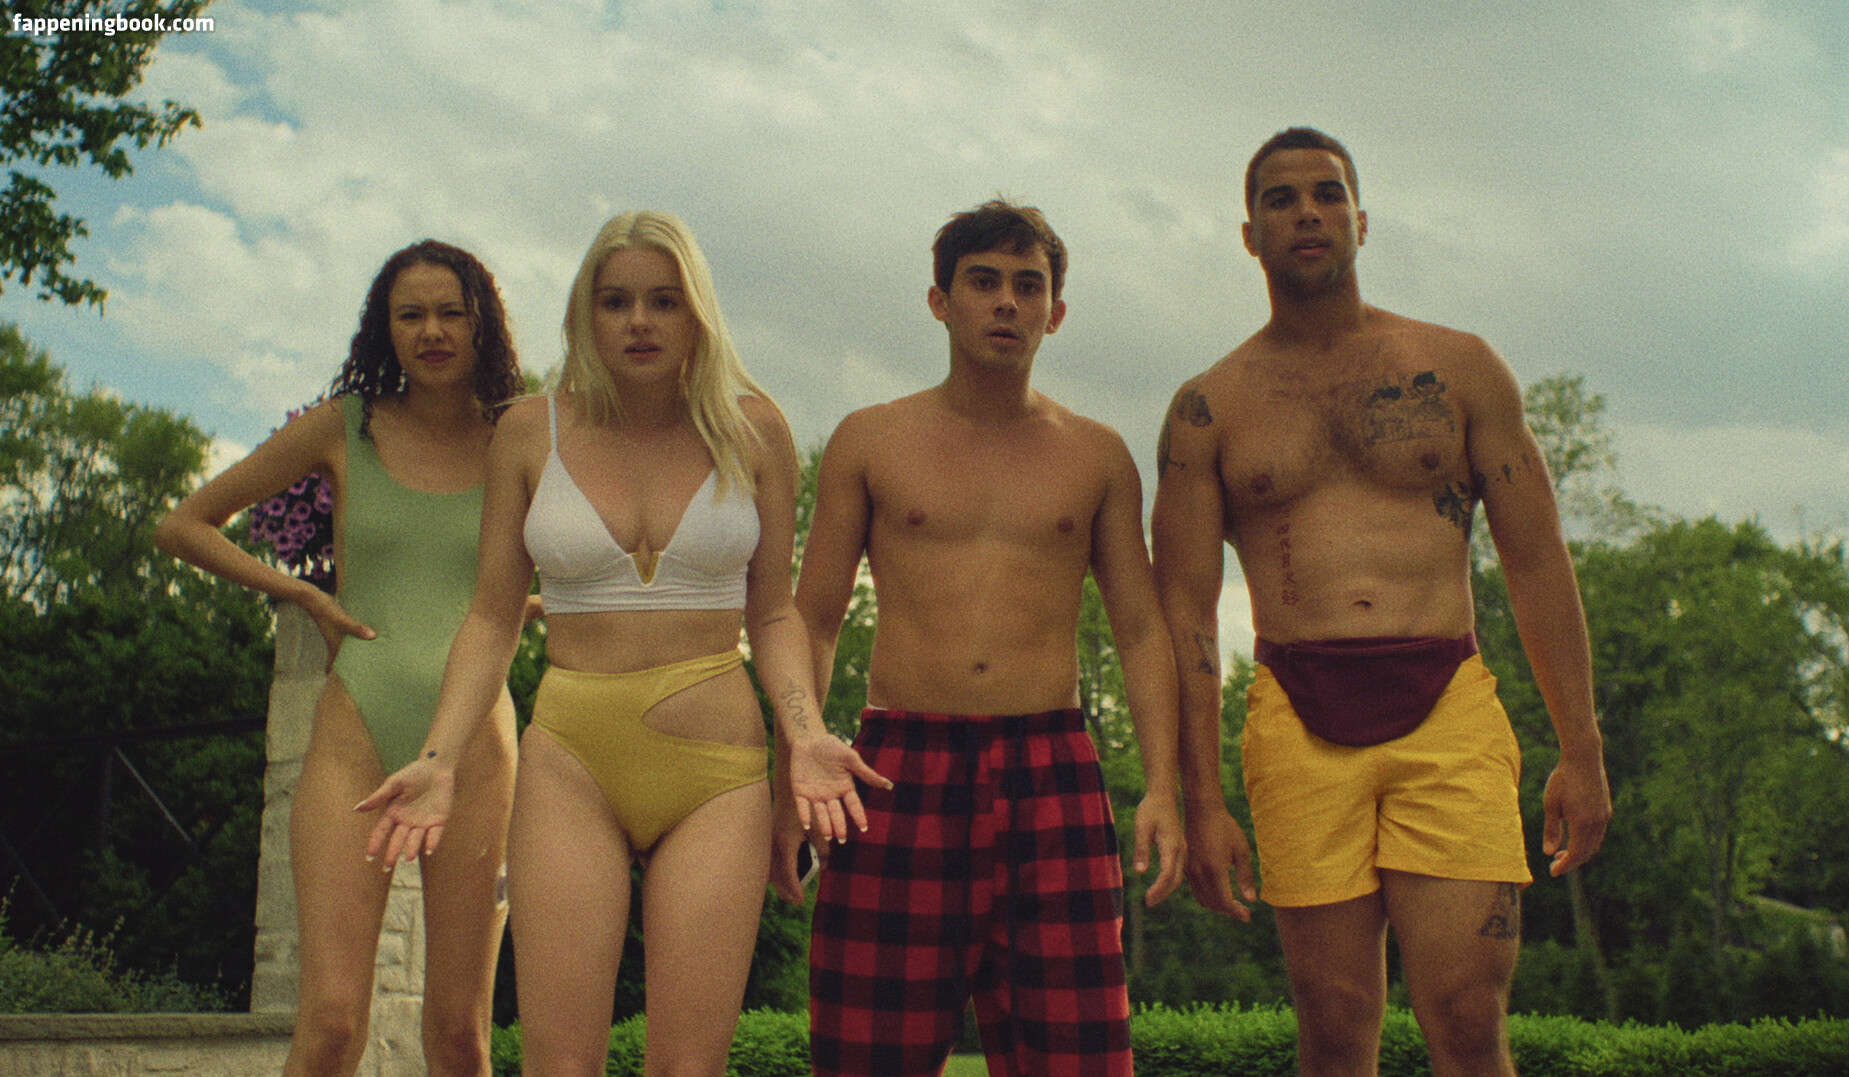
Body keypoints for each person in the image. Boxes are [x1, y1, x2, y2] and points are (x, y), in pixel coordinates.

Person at [358, 211, 878, 1077]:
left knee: (686, 1068)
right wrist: (440, 757)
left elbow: (774, 614)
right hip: (571, 760)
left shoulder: (755, 430)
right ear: (585, 314)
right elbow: (491, 617)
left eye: (664, 300)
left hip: (716, 769)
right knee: (560, 1065)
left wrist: (806, 733)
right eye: (617, 301)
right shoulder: (529, 431)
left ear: (697, 313)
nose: (640, 321)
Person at [1151, 126, 1613, 1077]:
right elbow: (1184, 616)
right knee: (1332, 1024)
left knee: (1470, 1015)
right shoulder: (1210, 406)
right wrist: (1203, 801)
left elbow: (1536, 561)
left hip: (1447, 704)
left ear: (1361, 221)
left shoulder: (1461, 368)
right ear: (1249, 234)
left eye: (1327, 194)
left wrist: (1582, 746)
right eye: (1281, 199)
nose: (1307, 212)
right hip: (1296, 714)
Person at [791, 199, 1186, 1077]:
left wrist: (1163, 784)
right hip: (896, 767)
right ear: (940, 301)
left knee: (1079, 1057)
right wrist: (800, 749)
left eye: (1028, 285)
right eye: (984, 282)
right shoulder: (871, 439)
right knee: (866, 1056)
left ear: (1056, 312)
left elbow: (1141, 629)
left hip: (1050, 766)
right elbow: (811, 617)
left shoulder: (1096, 454)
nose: (1007, 301)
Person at [155, 241, 523, 1077]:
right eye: (410, 314)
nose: (431, 331)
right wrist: (307, 594)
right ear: (383, 328)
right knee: (328, 1023)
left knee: (460, 1037)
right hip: (355, 729)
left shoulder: (519, 435)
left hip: (478, 748)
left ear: (482, 323)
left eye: (450, 312)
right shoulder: (345, 425)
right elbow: (183, 525)